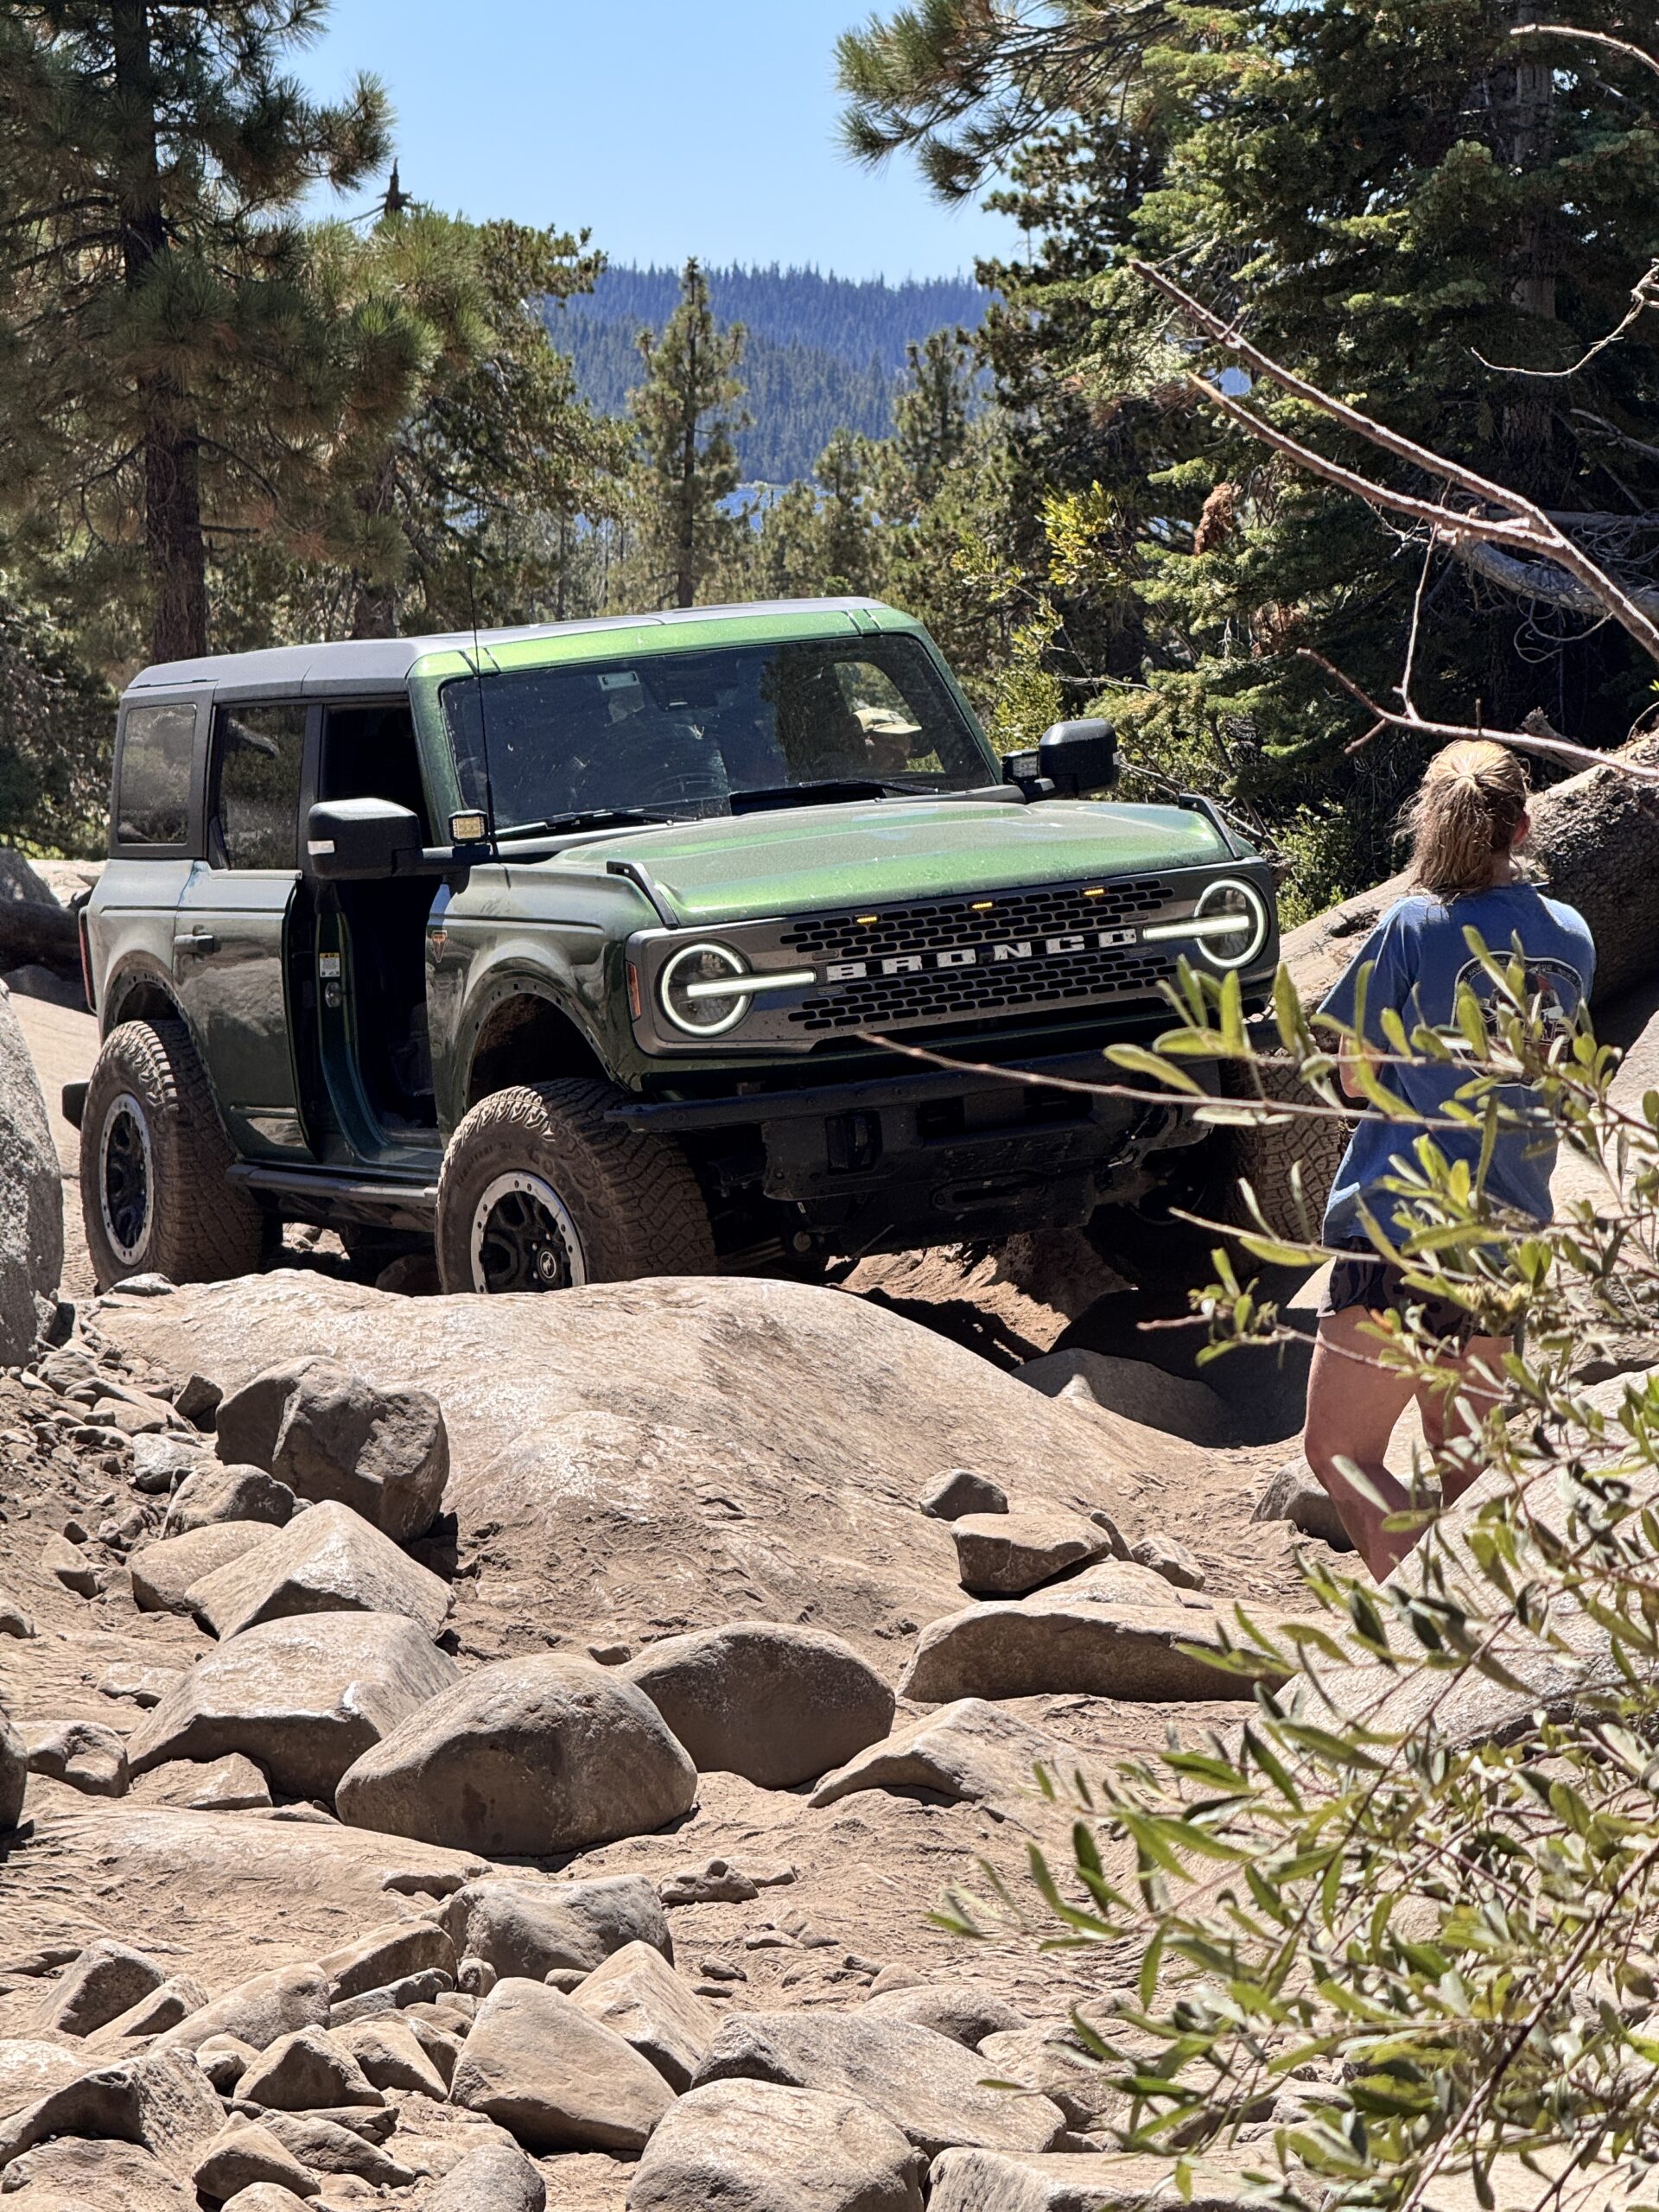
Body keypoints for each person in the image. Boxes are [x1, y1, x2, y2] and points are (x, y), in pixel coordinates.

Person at [1301, 741, 1596, 1578]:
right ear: (1524, 827)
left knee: (1343, 1453)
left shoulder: (1412, 925)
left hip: (1402, 1224)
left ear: (1429, 824)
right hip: (1508, 1231)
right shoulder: (1569, 933)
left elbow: (1354, 1076)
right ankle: (1486, 1633)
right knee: (1466, 1465)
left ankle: (1442, 1629)